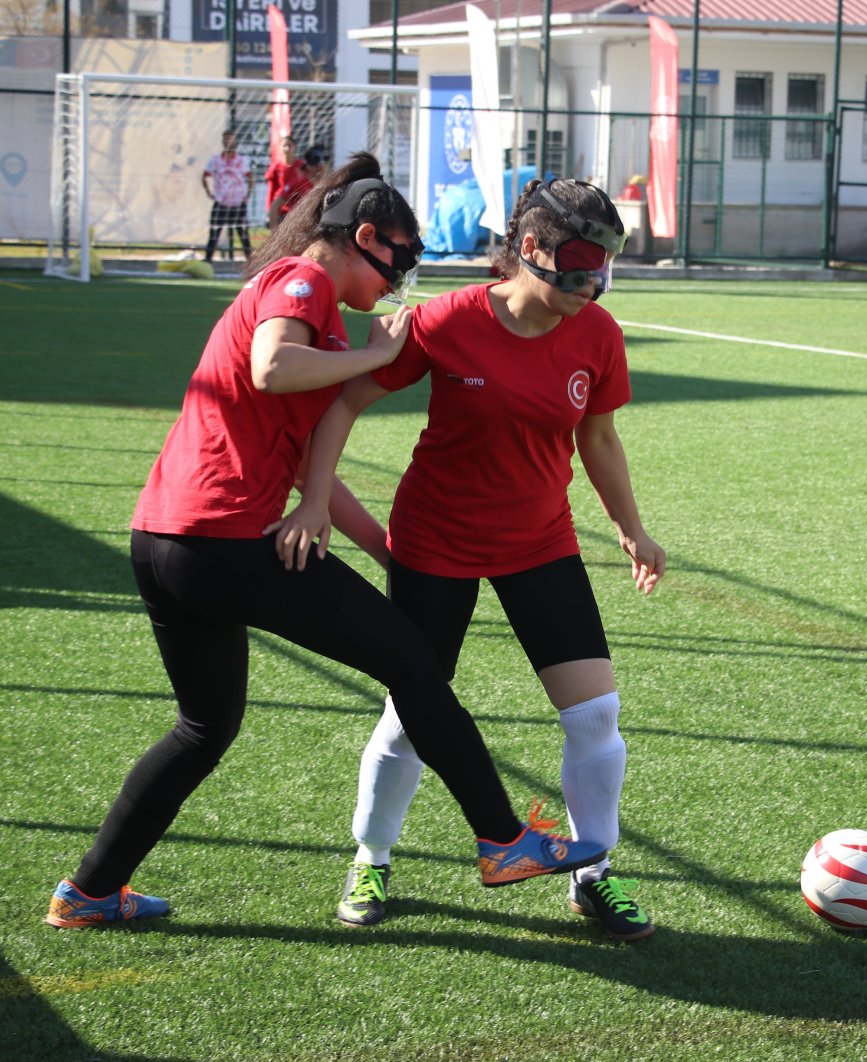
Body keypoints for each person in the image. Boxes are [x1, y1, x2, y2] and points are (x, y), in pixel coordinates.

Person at [44, 155, 606, 928]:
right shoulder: (302, 283)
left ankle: (89, 890)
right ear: (364, 237)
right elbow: (271, 367)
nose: (399, 284)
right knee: (413, 662)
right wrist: (376, 355)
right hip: (226, 541)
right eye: (399, 261)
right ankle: (503, 839)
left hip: (163, 540)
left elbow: (304, 448)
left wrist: (374, 542)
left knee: (204, 728)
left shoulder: (293, 300)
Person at [282, 177, 666, 941]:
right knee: (413, 711)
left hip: (539, 540)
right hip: (435, 542)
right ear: (531, 249)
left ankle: (593, 876)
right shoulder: (446, 319)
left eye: (605, 268)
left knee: (596, 716)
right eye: (582, 264)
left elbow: (597, 437)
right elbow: (345, 402)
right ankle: (372, 856)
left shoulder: (597, 333)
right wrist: (316, 501)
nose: (594, 283)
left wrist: (631, 527)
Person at [202, 130, 252, 263]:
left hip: (237, 204)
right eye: (226, 139)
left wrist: (247, 195)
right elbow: (204, 176)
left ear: (236, 141)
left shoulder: (242, 160)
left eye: (231, 139)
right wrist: (209, 193)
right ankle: (207, 261)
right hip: (221, 203)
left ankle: (252, 264)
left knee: (243, 235)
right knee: (213, 234)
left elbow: (250, 177)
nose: (228, 142)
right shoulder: (215, 160)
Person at [263, 134, 308, 230]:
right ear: (280, 148)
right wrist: (269, 209)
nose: (287, 148)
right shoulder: (276, 167)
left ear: (294, 147)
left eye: (289, 145)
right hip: (281, 209)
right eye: (284, 146)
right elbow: (271, 190)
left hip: (299, 208)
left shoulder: (302, 166)